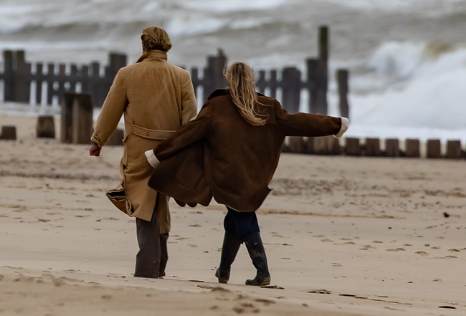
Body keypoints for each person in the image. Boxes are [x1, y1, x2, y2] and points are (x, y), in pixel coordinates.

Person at [145, 61, 349, 286]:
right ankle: (223, 271)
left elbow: (188, 133)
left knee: (242, 217)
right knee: (236, 217)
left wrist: (158, 153)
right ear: (252, 78)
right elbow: (301, 122)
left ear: (228, 78)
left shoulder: (216, 106)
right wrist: (335, 124)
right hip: (254, 178)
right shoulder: (269, 107)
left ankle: (262, 272)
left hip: (226, 177)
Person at [89, 26, 198, 279]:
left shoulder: (128, 74)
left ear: (144, 46)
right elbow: (190, 119)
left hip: (140, 150)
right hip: (170, 151)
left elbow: (110, 110)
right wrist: (185, 152)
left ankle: (148, 266)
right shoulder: (182, 76)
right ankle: (159, 264)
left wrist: (98, 140)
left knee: (142, 203)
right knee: (160, 202)